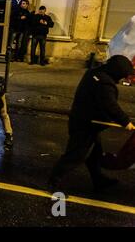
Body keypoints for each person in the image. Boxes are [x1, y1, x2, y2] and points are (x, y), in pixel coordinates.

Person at [49, 55, 135, 192]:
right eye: (123, 75)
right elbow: (110, 106)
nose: (123, 78)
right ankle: (54, 182)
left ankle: (98, 180)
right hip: (85, 124)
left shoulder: (95, 72)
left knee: (95, 154)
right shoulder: (104, 83)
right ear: (117, 72)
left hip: (87, 121)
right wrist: (126, 122)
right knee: (75, 154)